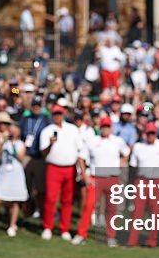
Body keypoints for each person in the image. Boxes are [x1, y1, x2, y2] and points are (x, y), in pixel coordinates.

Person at [77, 116, 129, 246]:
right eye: (103, 127)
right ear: (100, 127)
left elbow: (127, 153)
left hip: (112, 177)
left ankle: (111, 236)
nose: (105, 129)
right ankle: (81, 234)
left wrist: (121, 163)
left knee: (112, 209)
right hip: (96, 177)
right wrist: (86, 176)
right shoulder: (92, 141)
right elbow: (81, 158)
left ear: (111, 128)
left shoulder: (118, 141)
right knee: (89, 206)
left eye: (107, 127)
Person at [39, 104, 86, 241]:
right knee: (51, 198)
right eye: (55, 114)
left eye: (59, 113)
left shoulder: (72, 129)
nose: (57, 116)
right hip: (54, 167)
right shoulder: (47, 131)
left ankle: (64, 228)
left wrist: (80, 170)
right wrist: (51, 143)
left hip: (70, 168)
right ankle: (48, 227)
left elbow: (79, 150)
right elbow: (43, 152)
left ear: (63, 114)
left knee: (67, 200)